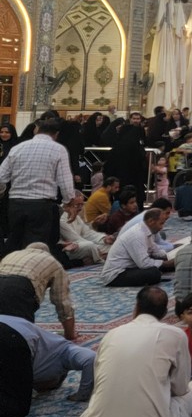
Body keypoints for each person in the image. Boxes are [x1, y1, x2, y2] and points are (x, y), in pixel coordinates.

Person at [79, 285, 192, 417]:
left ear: (136, 307)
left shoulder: (112, 334)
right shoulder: (175, 334)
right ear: (163, 312)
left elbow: (98, 379)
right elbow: (181, 388)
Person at [0, 115, 81, 262]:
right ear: (56, 134)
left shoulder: (18, 148)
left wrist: (2, 193)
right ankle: (29, 277)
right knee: (35, 245)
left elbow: (1, 176)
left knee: (15, 241)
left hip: (16, 204)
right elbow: (65, 180)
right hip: (40, 205)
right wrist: (69, 202)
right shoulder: (58, 149)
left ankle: (9, 271)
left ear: (36, 131)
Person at [0, 312, 95, 403]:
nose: (40, 388)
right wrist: (82, 395)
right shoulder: (63, 351)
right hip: (15, 337)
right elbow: (90, 359)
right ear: (59, 375)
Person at [0, 239, 77, 337]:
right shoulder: (53, 262)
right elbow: (62, 301)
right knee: (21, 333)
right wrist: (70, 334)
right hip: (20, 287)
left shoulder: (12, 255)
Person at [100, 205, 175, 286]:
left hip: (132, 266)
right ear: (151, 221)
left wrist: (171, 256)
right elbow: (144, 263)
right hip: (117, 274)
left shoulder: (147, 231)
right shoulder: (137, 235)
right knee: (154, 273)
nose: (162, 227)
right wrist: (166, 263)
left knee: (172, 264)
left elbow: (155, 251)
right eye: (161, 223)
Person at [58, 195, 111, 265]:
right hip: (71, 248)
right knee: (90, 245)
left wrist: (103, 239)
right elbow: (74, 239)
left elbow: (87, 233)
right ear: (68, 205)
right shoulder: (62, 219)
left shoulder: (76, 216)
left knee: (108, 244)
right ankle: (100, 258)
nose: (80, 208)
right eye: (77, 205)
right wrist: (96, 247)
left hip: (82, 243)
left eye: (81, 205)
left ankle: (97, 256)